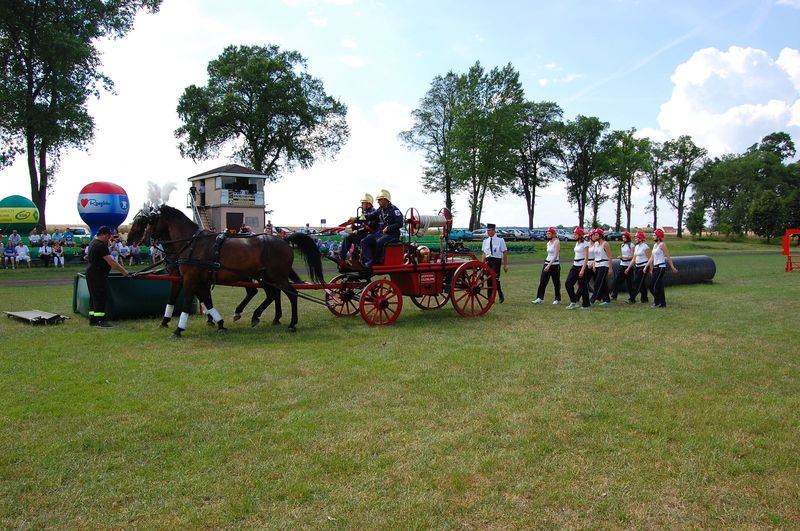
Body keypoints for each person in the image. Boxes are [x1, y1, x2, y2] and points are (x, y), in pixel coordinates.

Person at [85, 225, 129, 328]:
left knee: (94, 297)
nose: (109, 238)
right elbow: (112, 262)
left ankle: (93, 319)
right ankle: (100, 321)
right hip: (97, 274)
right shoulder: (101, 245)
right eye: (108, 236)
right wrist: (124, 271)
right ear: (104, 234)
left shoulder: (93, 242)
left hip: (91, 273)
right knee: (100, 296)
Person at [359, 189, 403, 270]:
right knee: (364, 241)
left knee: (379, 242)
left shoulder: (394, 210)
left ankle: (377, 261)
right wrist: (358, 218)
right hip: (381, 233)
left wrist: (389, 227)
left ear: (384, 200)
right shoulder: (380, 210)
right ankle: (369, 261)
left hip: (392, 234)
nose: (378, 202)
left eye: (379, 200)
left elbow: (400, 223)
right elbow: (371, 216)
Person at [644, 228, 678, 308]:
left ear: (659, 236)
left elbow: (668, 256)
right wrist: (646, 266)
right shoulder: (655, 245)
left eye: (654, 235)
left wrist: (672, 267)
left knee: (655, 285)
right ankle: (662, 303)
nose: (653, 236)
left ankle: (657, 303)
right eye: (653, 235)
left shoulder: (662, 245)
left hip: (661, 267)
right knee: (657, 285)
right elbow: (652, 258)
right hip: (655, 268)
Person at [341, 193, 378, 261]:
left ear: (368, 203)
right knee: (348, 237)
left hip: (370, 235)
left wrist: (357, 230)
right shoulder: (365, 213)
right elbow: (362, 225)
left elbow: (369, 227)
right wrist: (354, 227)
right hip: (364, 234)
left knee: (350, 238)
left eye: (363, 203)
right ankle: (343, 258)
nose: (361, 205)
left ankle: (365, 261)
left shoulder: (373, 212)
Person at [532, 227, 561, 305]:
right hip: (547, 263)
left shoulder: (557, 242)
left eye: (549, 233)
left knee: (556, 282)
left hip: (554, 265)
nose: (547, 235)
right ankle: (539, 298)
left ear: (553, 234)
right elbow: (549, 254)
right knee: (542, 281)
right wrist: (546, 264)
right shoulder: (548, 243)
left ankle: (557, 298)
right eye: (547, 233)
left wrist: (549, 265)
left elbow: (555, 256)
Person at [481, 223, 508, 303]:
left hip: (496, 260)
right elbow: (484, 253)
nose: (488, 232)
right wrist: (482, 264)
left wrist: (505, 265)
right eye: (487, 230)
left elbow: (505, 252)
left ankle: (499, 293)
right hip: (488, 260)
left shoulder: (500, 240)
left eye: (489, 230)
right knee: (489, 280)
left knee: (495, 279)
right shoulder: (485, 241)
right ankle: (490, 299)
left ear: (493, 230)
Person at [565, 227, 591, 310]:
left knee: (583, 286)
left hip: (581, 266)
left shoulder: (585, 244)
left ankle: (586, 304)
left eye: (575, 234)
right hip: (575, 265)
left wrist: (583, 269)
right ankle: (574, 301)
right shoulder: (577, 243)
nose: (574, 235)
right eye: (574, 234)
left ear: (580, 235)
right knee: (568, 283)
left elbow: (586, 258)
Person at [625, 231, 651, 304]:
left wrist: (649, 268)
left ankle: (632, 299)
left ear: (641, 238)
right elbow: (634, 258)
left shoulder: (645, 247)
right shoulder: (636, 247)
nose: (635, 239)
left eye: (637, 237)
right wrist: (628, 268)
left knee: (636, 282)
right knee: (641, 283)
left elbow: (650, 258)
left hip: (643, 266)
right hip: (637, 266)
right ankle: (644, 299)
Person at [589, 228, 613, 306]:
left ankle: (592, 300)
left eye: (596, 235)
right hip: (597, 265)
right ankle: (607, 300)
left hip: (604, 265)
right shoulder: (596, 244)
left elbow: (609, 256)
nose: (595, 236)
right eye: (594, 234)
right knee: (603, 284)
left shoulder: (605, 244)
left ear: (601, 235)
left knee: (598, 283)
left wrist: (610, 268)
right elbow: (595, 256)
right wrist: (593, 264)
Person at [611, 231, 634, 301]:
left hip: (629, 265)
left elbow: (633, 257)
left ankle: (632, 297)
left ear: (628, 238)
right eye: (623, 237)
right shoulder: (622, 245)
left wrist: (624, 257)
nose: (623, 238)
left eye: (625, 237)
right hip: (622, 264)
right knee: (617, 281)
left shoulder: (631, 245)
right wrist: (621, 258)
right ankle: (614, 295)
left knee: (629, 282)